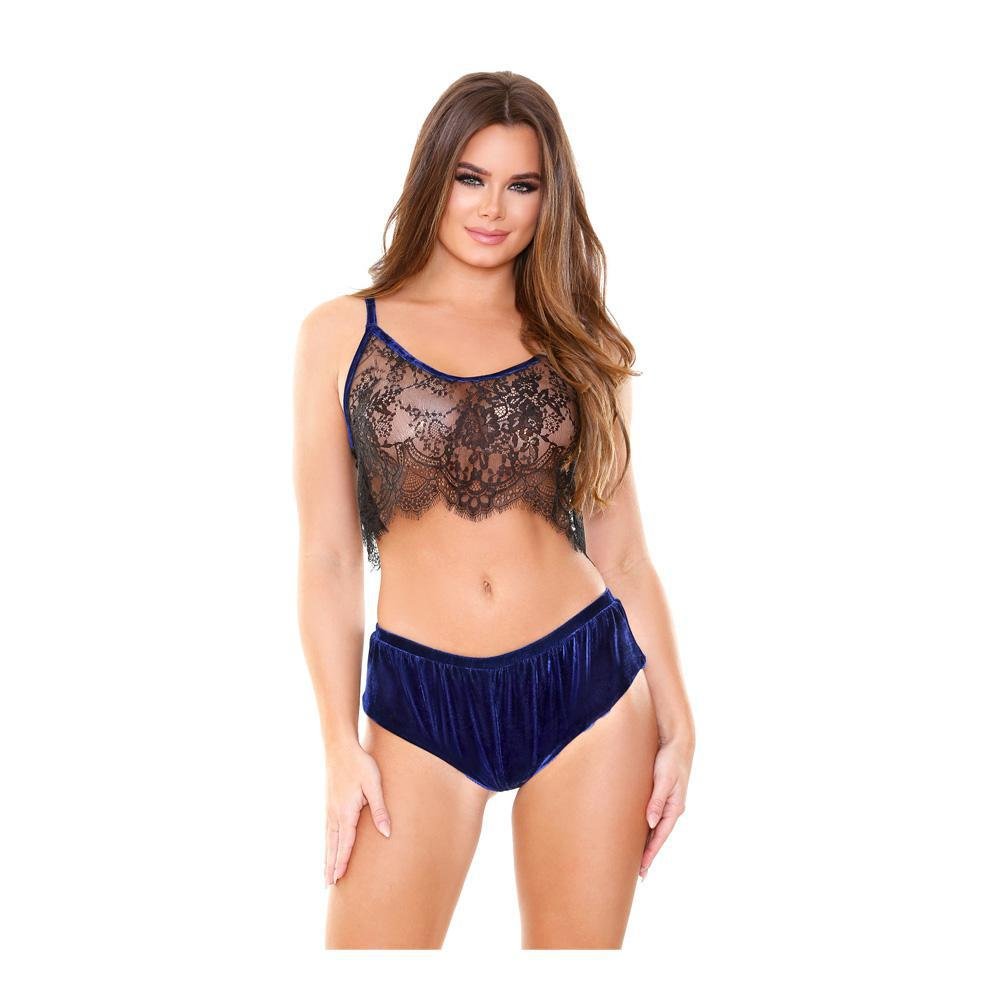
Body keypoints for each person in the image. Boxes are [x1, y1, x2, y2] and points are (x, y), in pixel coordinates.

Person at [293, 71, 695, 950]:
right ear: (432, 176)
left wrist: (680, 721)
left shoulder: (583, 343)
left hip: (587, 685)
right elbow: (327, 557)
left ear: (550, 199)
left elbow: (625, 555)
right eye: (471, 177)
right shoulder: (340, 333)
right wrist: (337, 743)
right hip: (419, 699)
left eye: (523, 185)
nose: (492, 208)